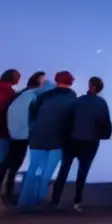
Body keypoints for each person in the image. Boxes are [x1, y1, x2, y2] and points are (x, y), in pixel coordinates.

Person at [51, 76, 112, 211]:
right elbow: (105, 123)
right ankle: (77, 201)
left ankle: (55, 200)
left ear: (90, 86)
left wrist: (65, 136)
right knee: (83, 172)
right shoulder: (101, 103)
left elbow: (67, 120)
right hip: (90, 141)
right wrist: (103, 135)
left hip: (72, 139)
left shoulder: (78, 101)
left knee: (64, 170)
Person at [19, 71, 77, 209]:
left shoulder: (42, 96)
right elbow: (71, 121)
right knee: (48, 171)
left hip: (38, 136)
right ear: (70, 82)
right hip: (58, 138)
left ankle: (24, 201)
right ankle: (39, 199)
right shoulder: (72, 99)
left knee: (33, 168)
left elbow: (32, 115)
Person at [0, 71, 49, 200]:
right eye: (43, 80)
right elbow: (34, 113)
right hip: (23, 132)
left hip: (14, 131)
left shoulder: (22, 94)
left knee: (9, 161)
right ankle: (4, 192)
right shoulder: (34, 95)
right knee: (14, 163)